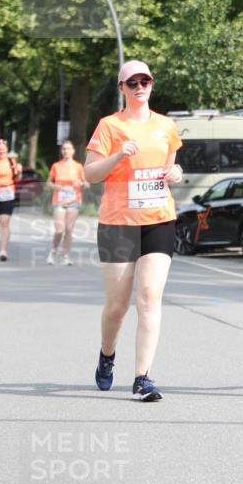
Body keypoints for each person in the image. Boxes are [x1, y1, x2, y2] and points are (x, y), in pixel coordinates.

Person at [84, 60, 183, 402]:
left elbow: (170, 168)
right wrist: (117, 157)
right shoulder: (109, 126)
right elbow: (91, 173)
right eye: (132, 82)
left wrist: (177, 173)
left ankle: (142, 377)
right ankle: (107, 354)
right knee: (117, 306)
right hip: (117, 224)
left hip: (158, 219)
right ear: (121, 88)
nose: (139, 86)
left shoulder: (167, 126)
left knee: (149, 297)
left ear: (152, 85)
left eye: (145, 81)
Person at [46, 139, 90, 265]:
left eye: (68, 149)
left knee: (69, 229)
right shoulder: (56, 166)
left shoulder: (78, 166)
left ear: (73, 151)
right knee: (59, 229)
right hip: (59, 199)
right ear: (61, 151)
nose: (66, 151)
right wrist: (56, 187)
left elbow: (87, 184)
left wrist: (80, 183)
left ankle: (66, 255)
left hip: (74, 200)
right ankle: (54, 250)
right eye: (64, 149)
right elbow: (49, 182)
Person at [0, 139, 21, 261]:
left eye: (3, 149)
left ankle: (3, 250)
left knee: (4, 221)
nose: (1, 151)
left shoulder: (11, 162)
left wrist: (19, 171)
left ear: (7, 150)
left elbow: (17, 178)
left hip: (7, 194)